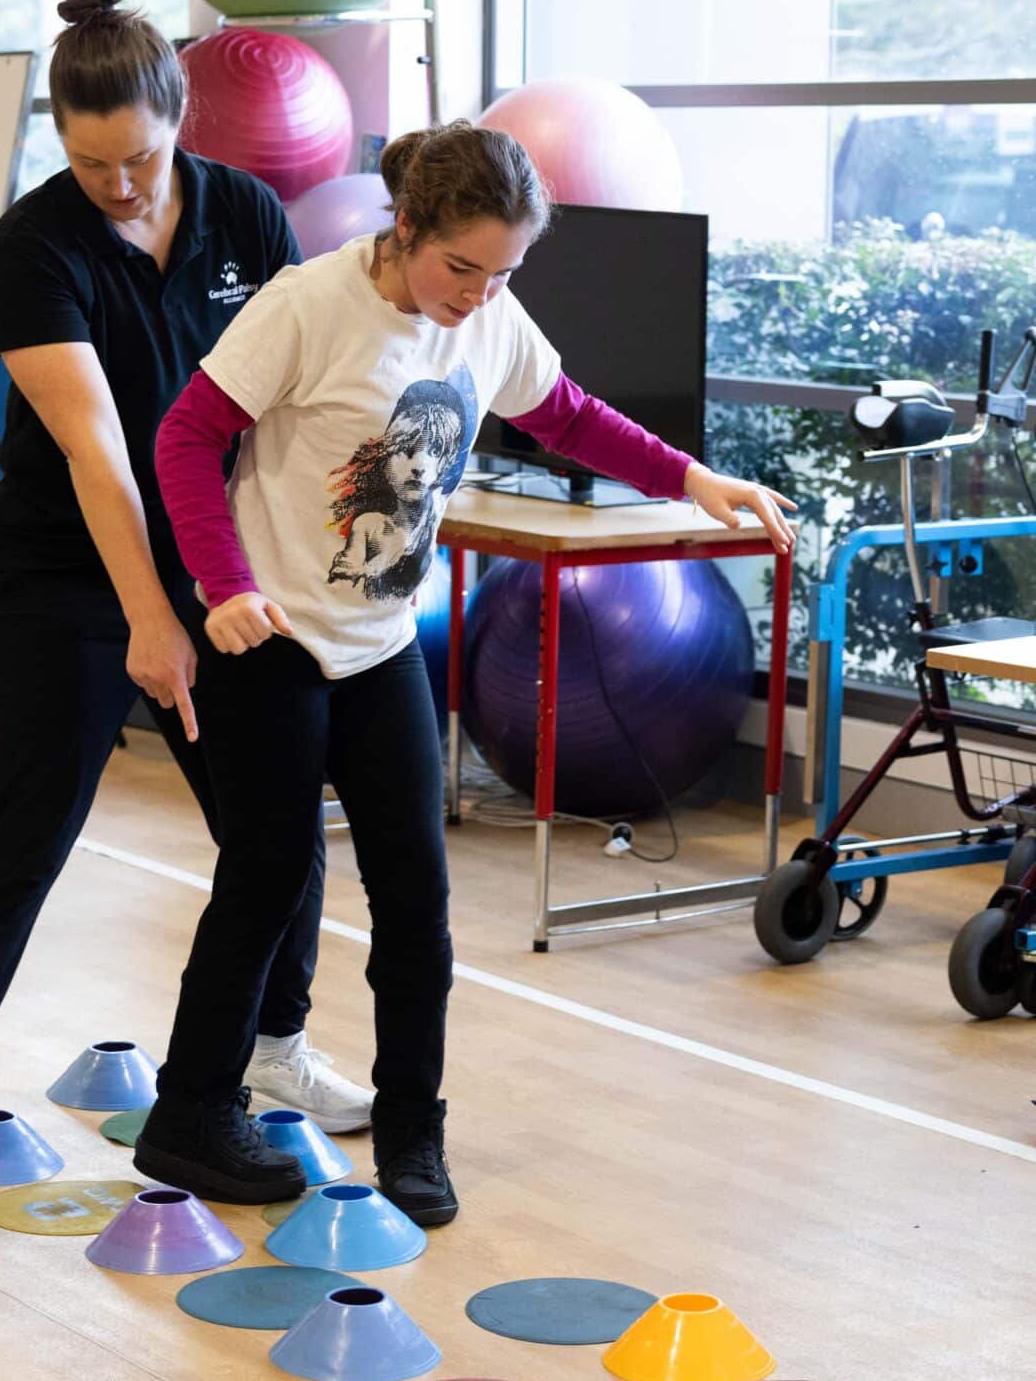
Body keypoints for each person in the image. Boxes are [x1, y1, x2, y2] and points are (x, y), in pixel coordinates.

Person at [143, 120, 795, 1224]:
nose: (480, 294)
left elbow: (569, 416)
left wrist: (695, 477)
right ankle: (190, 1112)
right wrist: (224, 583)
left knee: (417, 903)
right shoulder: (308, 306)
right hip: (273, 640)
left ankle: (410, 1127)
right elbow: (182, 438)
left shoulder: (486, 316)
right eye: (462, 267)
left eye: (504, 273)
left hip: (379, 645)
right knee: (264, 881)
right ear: (405, 230)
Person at [0, 0, 358, 1236]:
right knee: (22, 840)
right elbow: (99, 457)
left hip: (217, 559)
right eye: (89, 163)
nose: (118, 184)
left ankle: (268, 1047)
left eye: (133, 157)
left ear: (178, 115)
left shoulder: (244, 211)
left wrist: (262, 578)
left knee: (275, 821)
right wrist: (150, 619)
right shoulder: (33, 248)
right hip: (65, 580)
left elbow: (275, 410)